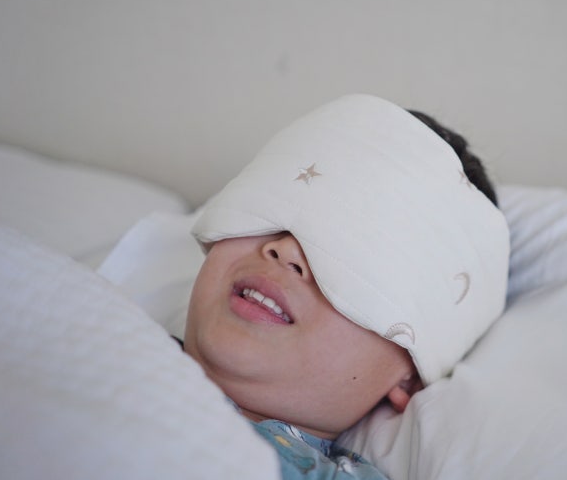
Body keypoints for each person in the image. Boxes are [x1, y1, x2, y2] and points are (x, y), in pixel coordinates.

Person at [180, 94, 510, 479]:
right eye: (272, 210)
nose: (286, 249)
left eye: (354, 255)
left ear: (409, 377)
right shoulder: (115, 328)